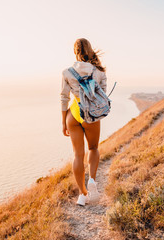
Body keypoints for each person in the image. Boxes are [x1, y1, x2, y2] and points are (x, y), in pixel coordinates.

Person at [60, 38, 107, 206]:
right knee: (93, 148)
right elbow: (102, 96)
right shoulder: (100, 71)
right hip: (91, 115)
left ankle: (82, 194)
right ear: (90, 50)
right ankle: (92, 180)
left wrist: (63, 122)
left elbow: (64, 98)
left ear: (75, 52)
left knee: (77, 155)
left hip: (73, 114)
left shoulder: (67, 72)